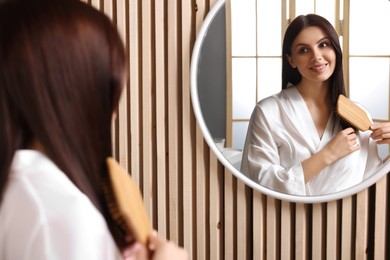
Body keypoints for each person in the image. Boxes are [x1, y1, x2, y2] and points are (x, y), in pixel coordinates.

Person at [0, 0, 187, 259]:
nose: (113, 113)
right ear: (75, 95)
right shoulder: (57, 213)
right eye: (109, 94)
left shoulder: (23, 187)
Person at [241, 14, 390, 196]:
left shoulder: (358, 114)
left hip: (347, 220)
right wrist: (327, 155)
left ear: (335, 50)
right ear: (291, 60)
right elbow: (259, 182)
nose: (317, 57)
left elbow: (372, 181)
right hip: (287, 220)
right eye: (304, 50)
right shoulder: (268, 112)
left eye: (324, 45)